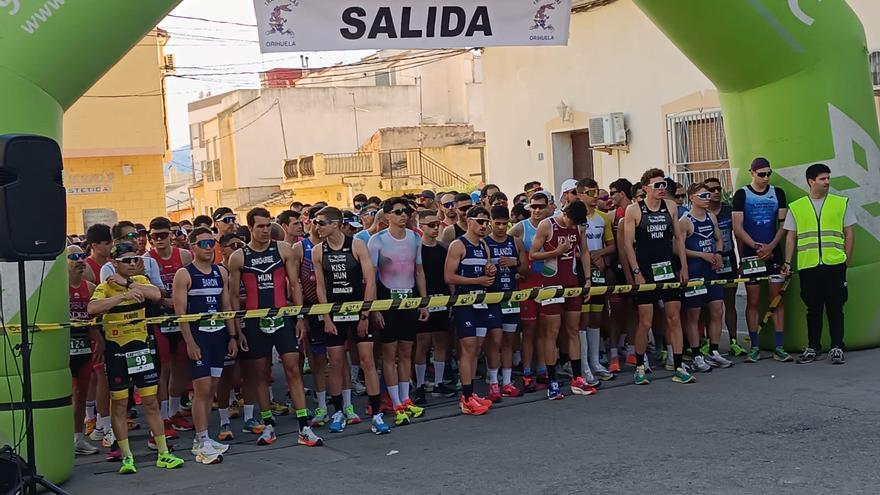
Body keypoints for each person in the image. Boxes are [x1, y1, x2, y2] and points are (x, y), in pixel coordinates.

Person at [228, 207, 323, 447]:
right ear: (250, 228)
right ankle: (268, 424)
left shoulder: (283, 250)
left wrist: (300, 317)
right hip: (253, 321)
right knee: (260, 374)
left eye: (268, 225)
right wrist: (236, 331)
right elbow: (231, 297)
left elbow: (295, 284)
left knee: (293, 369)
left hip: (283, 318)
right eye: (260, 226)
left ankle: (304, 427)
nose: (265, 230)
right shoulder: (239, 257)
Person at [88, 242, 184, 474]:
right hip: (117, 351)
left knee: (151, 402)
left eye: (135, 260)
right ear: (114, 263)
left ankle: (163, 453)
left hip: (142, 349)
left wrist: (128, 284)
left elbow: (157, 295)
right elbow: (92, 308)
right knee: (119, 404)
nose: (132, 264)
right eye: (126, 261)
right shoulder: (105, 286)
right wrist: (122, 297)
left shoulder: (140, 281)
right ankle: (127, 456)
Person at [311, 207, 390, 434]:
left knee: (367, 361)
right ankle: (338, 411)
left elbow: (370, 281)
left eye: (321, 222)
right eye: (317, 223)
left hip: (358, 309)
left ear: (335, 224)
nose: (318, 227)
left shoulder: (356, 245)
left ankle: (376, 414)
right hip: (334, 311)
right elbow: (320, 286)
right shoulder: (318, 251)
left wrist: (365, 314)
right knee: (335, 362)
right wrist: (326, 316)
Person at [172, 228, 239, 464]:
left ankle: (205, 437)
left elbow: (226, 305)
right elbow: (180, 313)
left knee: (211, 390)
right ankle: (200, 440)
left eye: (212, 242)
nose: (209, 247)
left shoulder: (220, 271)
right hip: (198, 338)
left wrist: (232, 336)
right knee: (201, 390)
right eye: (203, 244)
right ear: (193, 247)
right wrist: (190, 342)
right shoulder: (184, 274)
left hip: (218, 337)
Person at [622, 168, 694, 385]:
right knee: (645, 321)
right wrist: (636, 272)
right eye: (657, 185)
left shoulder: (671, 206)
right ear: (645, 188)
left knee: (674, 317)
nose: (662, 189)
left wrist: (683, 266)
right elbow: (627, 243)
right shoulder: (634, 210)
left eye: (664, 185)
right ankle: (640, 366)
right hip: (646, 269)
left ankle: (679, 365)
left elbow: (678, 239)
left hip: (668, 268)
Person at [782, 164, 856, 365]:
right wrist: (787, 262)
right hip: (809, 265)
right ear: (811, 181)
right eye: (823, 179)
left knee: (835, 307)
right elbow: (791, 236)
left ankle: (837, 347)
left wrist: (845, 259)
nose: (827, 182)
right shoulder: (797, 207)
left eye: (828, 178)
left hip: (835, 264)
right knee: (813, 309)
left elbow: (849, 232)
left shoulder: (840, 203)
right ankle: (813, 347)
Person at [368, 198, 430, 426]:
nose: (404, 215)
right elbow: (371, 277)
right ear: (387, 217)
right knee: (389, 353)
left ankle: (405, 398)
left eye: (406, 211)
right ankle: (394, 401)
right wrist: (374, 308)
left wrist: (423, 302)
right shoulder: (377, 240)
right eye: (398, 212)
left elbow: (419, 271)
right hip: (386, 298)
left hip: (409, 298)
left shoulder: (415, 237)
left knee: (407, 351)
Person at [530, 199, 594, 399]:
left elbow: (584, 252)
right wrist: (556, 252)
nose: (572, 226)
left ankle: (577, 377)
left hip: (572, 283)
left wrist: (588, 280)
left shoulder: (579, 227)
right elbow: (532, 254)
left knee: (573, 330)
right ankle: (552, 382)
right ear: (564, 214)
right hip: (551, 284)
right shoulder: (547, 224)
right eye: (571, 222)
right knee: (552, 332)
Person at [732, 157, 791, 363]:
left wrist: (771, 247)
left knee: (777, 299)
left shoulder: (778, 193)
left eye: (768, 174)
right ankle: (755, 346)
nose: (765, 178)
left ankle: (780, 346)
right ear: (752, 173)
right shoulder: (742, 194)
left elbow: (784, 224)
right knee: (753, 300)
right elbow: (737, 227)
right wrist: (756, 247)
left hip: (773, 251)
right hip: (752, 253)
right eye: (761, 174)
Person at [445, 206, 495, 416]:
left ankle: (471, 392)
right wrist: (478, 280)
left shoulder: (484, 245)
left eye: (486, 222)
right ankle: (466, 397)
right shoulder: (458, 245)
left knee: (477, 349)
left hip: (482, 302)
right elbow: (449, 276)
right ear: (469, 221)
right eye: (480, 222)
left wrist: (489, 271)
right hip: (465, 302)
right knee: (468, 347)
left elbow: (486, 270)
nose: (484, 226)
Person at [146, 217, 195, 434]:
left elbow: (191, 282)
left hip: (181, 318)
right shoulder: (147, 260)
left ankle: (174, 411)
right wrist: (167, 301)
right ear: (150, 238)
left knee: (181, 366)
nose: (160, 240)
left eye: (164, 235)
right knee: (163, 368)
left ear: (171, 235)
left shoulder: (183, 255)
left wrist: (180, 303)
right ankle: (163, 416)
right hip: (160, 319)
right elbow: (149, 292)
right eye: (155, 236)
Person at [680, 183, 733, 371]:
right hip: (695, 272)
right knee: (693, 315)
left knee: (717, 309)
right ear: (692, 198)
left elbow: (718, 238)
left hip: (711, 272)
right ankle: (695, 354)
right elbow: (677, 248)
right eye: (703, 195)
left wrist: (718, 253)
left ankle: (714, 350)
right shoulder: (685, 221)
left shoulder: (711, 217)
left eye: (708, 195)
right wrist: (702, 255)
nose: (708, 198)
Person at [508, 191, 553, 392]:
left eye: (540, 207)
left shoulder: (553, 224)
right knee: (529, 331)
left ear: (548, 207)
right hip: (527, 283)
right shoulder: (521, 227)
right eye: (533, 207)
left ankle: (542, 369)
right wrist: (515, 267)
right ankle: (527, 371)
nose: (536, 211)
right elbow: (500, 242)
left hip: (548, 280)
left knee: (545, 329)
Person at [485, 205, 529, 400]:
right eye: (497, 224)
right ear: (490, 223)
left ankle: (507, 382)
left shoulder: (515, 242)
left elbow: (527, 269)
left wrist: (516, 264)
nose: (501, 227)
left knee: (510, 341)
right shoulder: (484, 243)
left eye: (504, 224)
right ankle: (493, 382)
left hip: (510, 297)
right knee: (494, 341)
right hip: (491, 298)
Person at [576, 178, 615, 381]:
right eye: (590, 192)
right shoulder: (572, 216)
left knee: (596, 315)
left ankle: (595, 361)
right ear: (580, 194)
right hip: (580, 272)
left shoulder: (603, 218)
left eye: (597, 192)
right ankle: (583, 366)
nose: (595, 196)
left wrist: (599, 253)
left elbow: (611, 245)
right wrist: (586, 259)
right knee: (581, 318)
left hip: (598, 270)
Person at [68, 245, 104, 456]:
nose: (80, 260)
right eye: (74, 257)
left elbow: (92, 321)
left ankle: (78, 438)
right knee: (68, 394)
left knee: (81, 394)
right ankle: (64, 439)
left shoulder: (89, 288)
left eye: (82, 256)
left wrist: (98, 338)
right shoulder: (57, 289)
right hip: (64, 347)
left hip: (84, 347)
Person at [704, 177, 744, 356]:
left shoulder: (729, 210)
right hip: (709, 262)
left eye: (719, 188)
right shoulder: (702, 212)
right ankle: (709, 342)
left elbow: (738, 236)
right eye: (712, 190)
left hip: (728, 259)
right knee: (710, 304)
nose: (716, 192)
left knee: (730, 302)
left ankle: (734, 342)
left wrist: (741, 259)